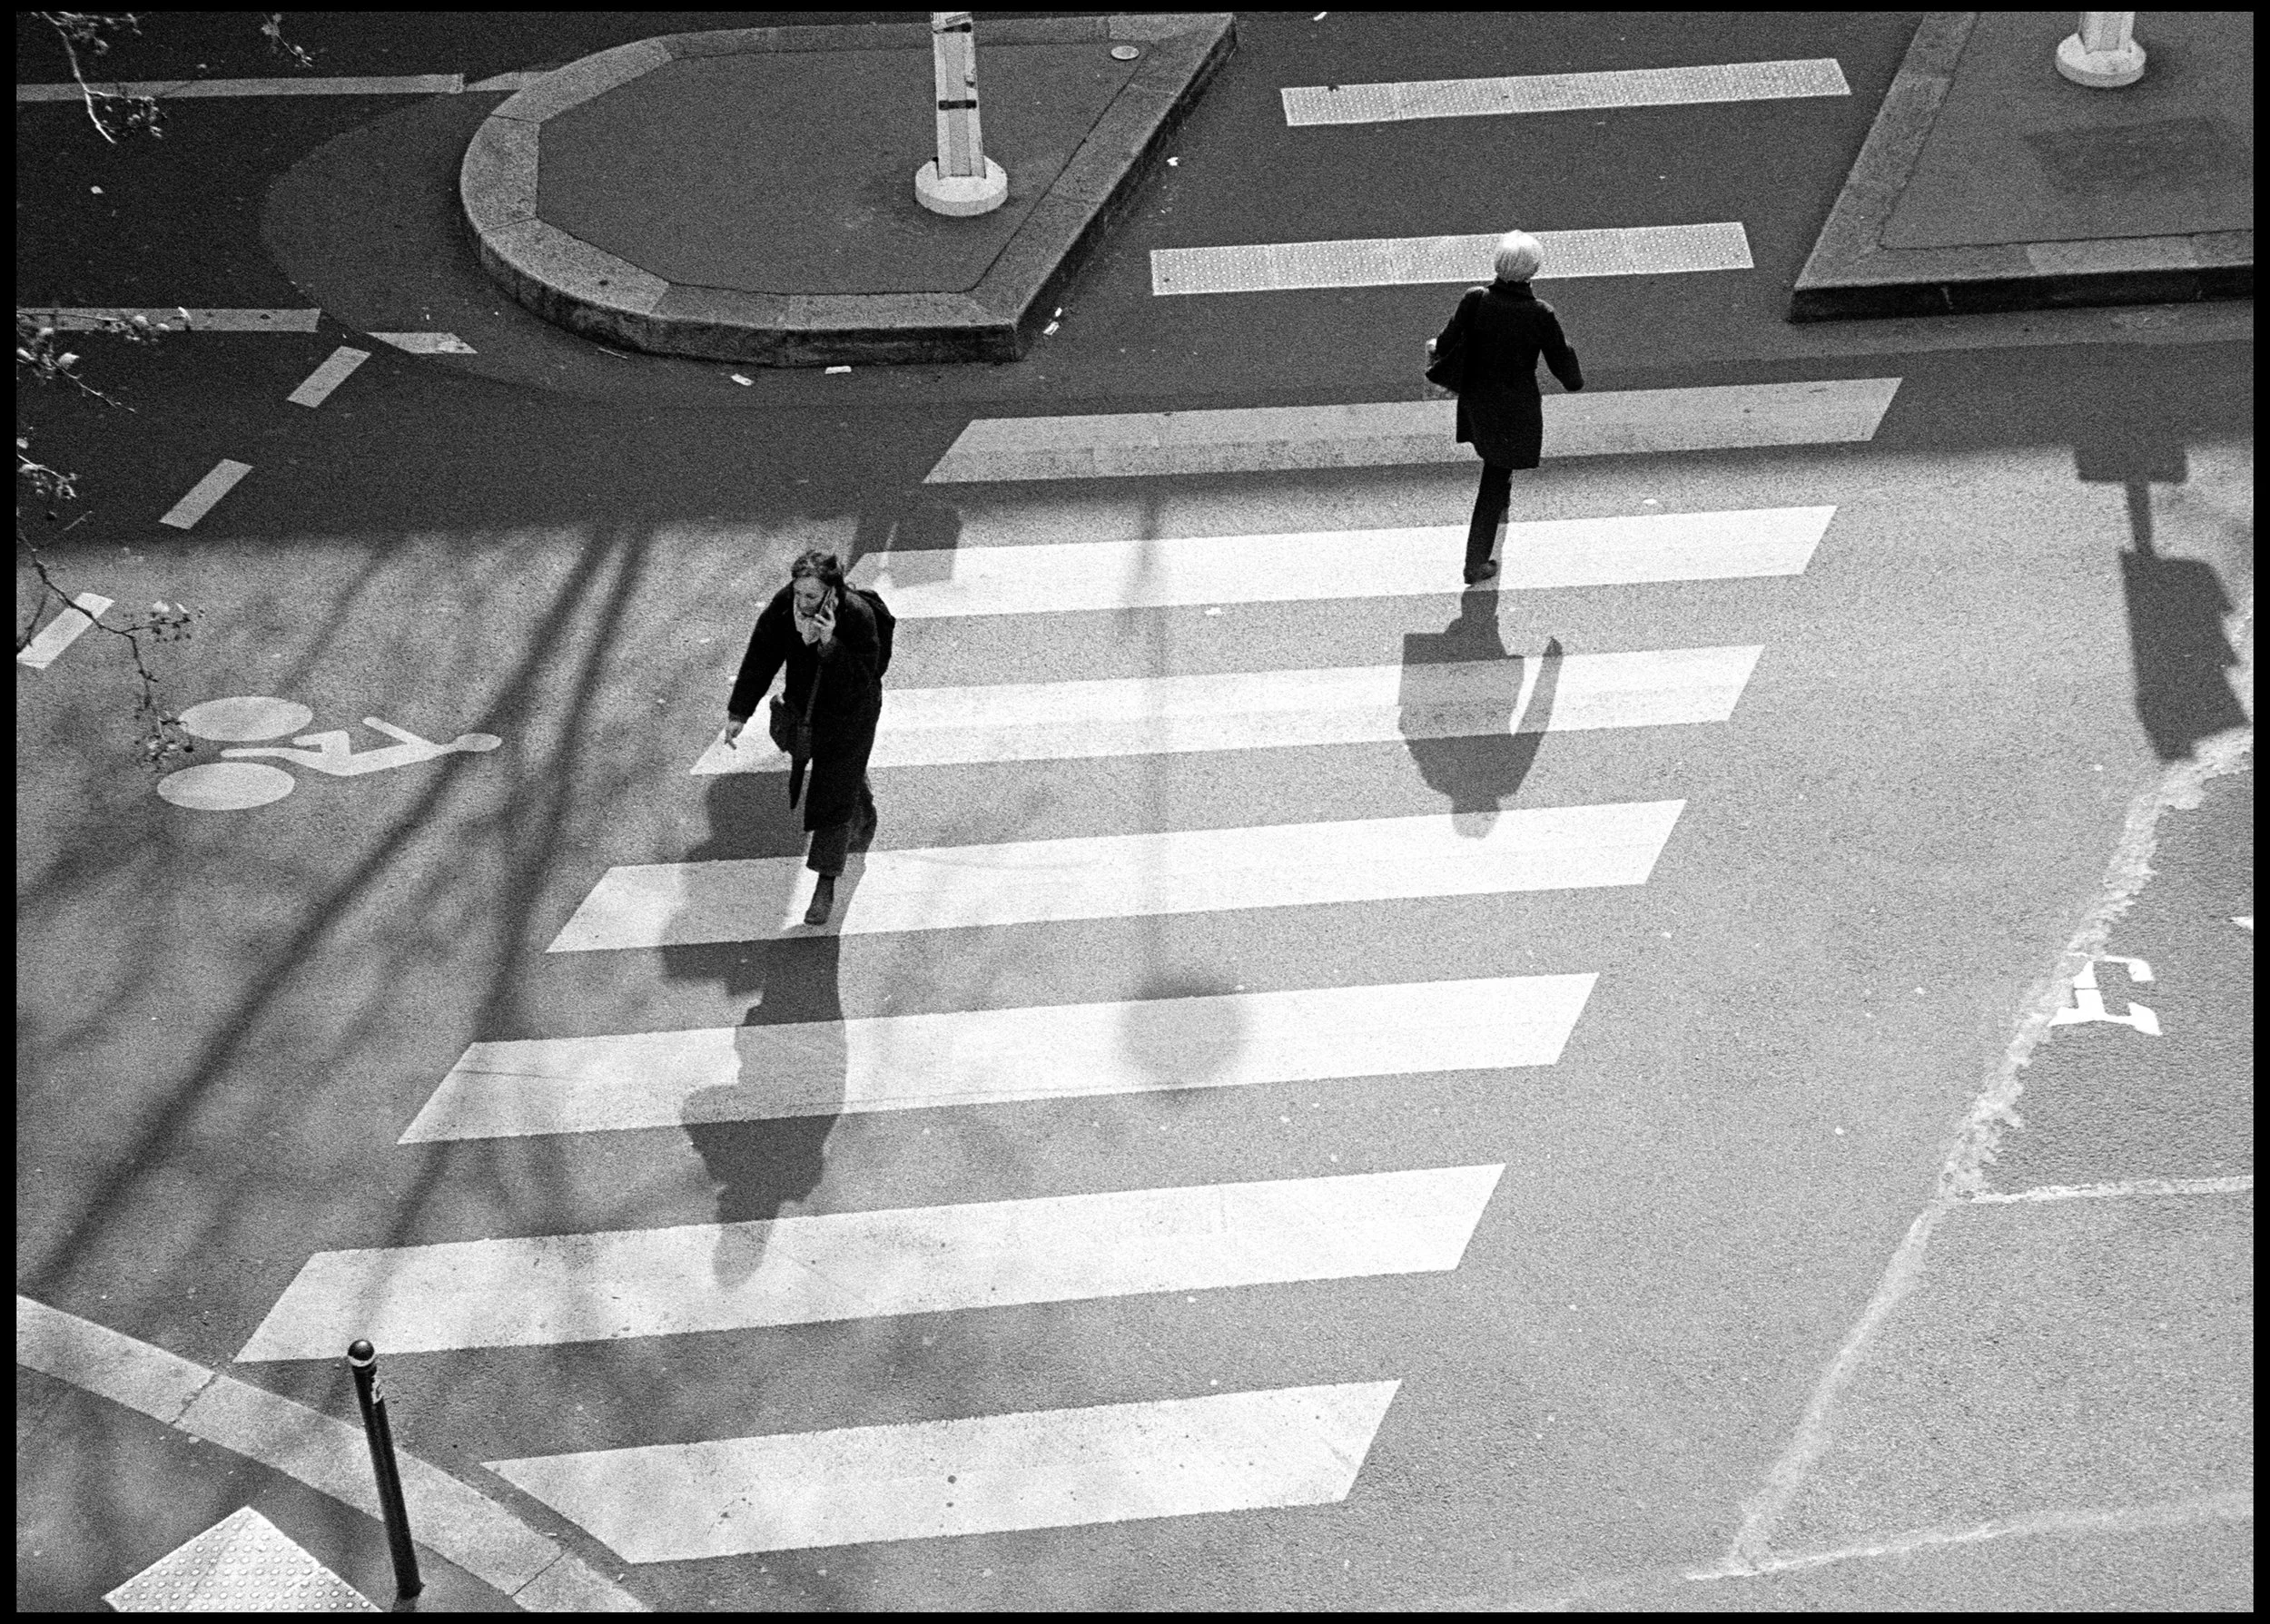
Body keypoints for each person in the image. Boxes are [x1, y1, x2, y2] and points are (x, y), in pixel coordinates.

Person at [723, 549, 883, 925]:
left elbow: (862, 680)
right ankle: (861, 803)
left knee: (831, 798)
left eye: (811, 596)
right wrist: (738, 712)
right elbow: (762, 654)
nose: (802, 602)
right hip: (805, 714)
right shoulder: (785, 608)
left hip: (850, 718)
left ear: (831, 592)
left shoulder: (856, 616)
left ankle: (825, 885)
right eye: (798, 593)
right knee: (839, 781)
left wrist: (830, 645)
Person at [1433, 230, 1584, 585]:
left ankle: (1502, 500)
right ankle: (1475, 563)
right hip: (1515, 406)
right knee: (1495, 472)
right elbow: (1568, 373)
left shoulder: (1475, 299)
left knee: (1495, 456)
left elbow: (1445, 341)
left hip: (1477, 399)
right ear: (1533, 270)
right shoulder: (1540, 314)